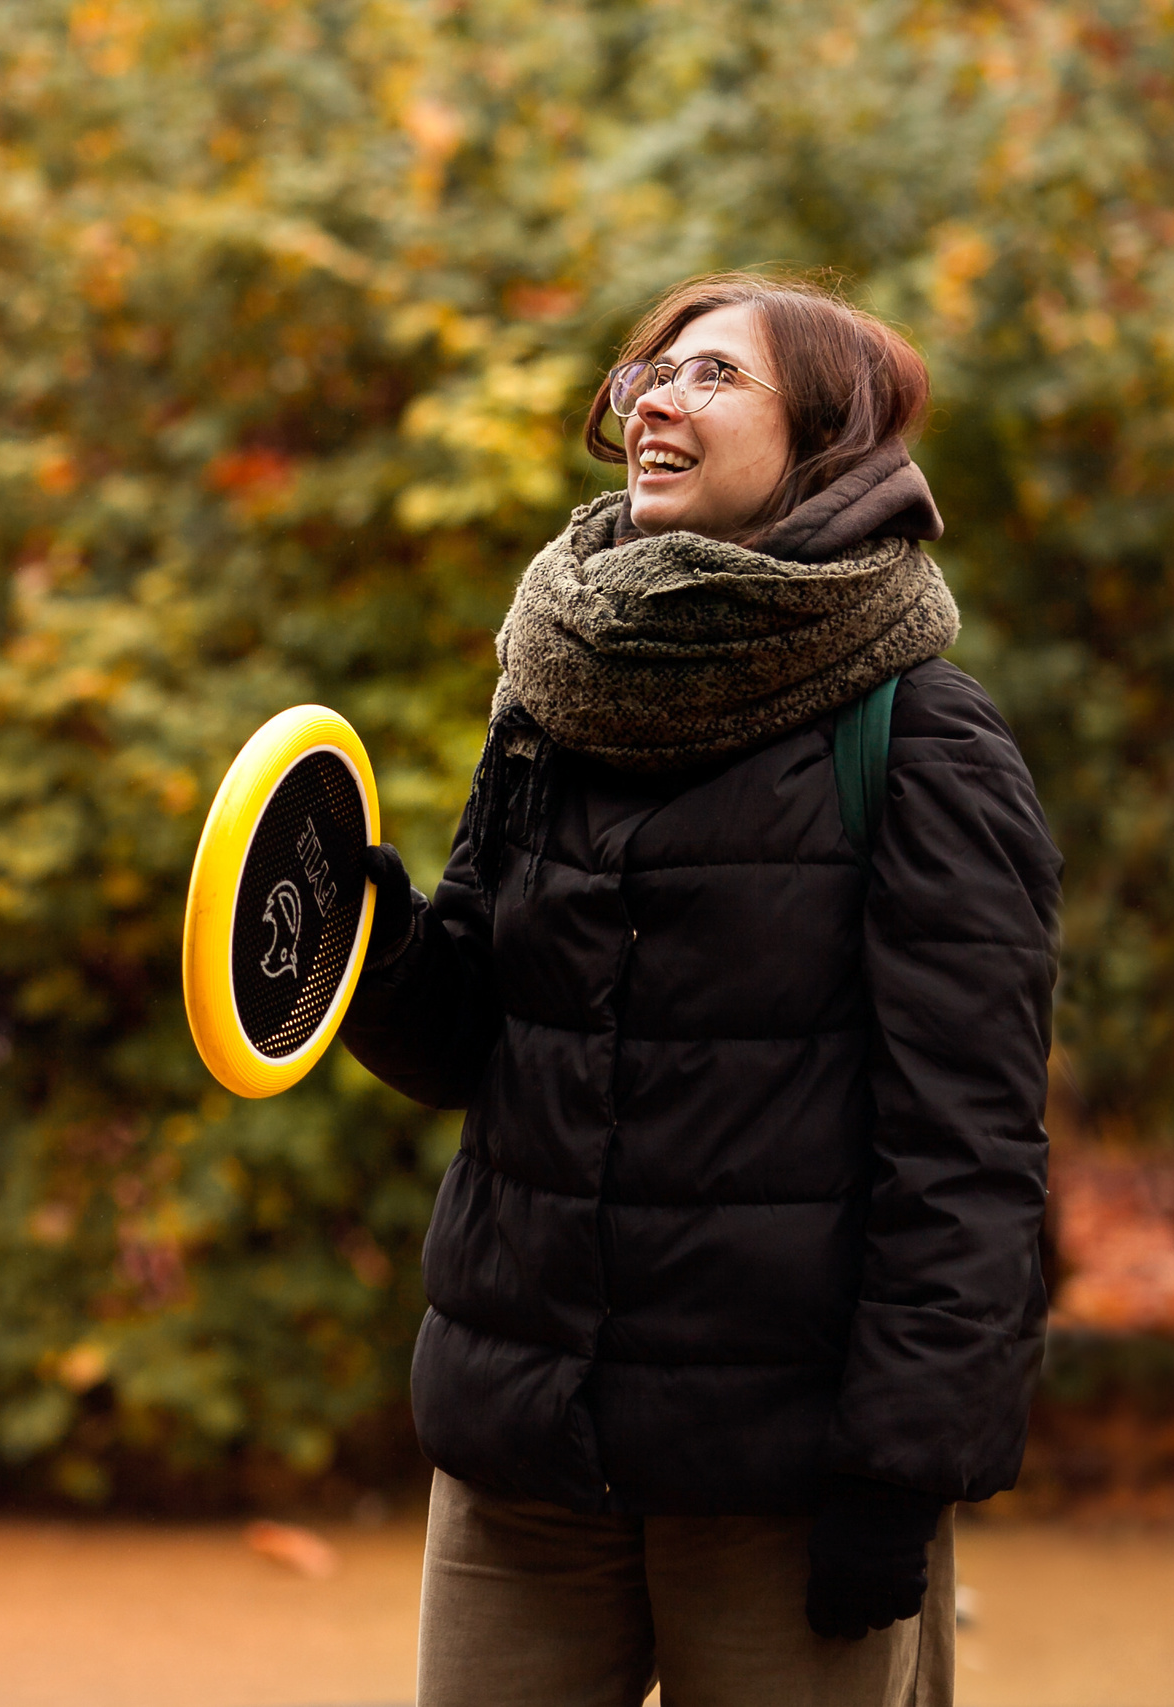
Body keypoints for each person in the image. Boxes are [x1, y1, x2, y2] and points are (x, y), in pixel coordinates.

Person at [345, 272, 1062, 1707]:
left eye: (714, 375)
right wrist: (357, 943)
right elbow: (469, 1038)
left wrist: (899, 1473)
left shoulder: (921, 735)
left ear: (828, 438)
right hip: (527, 1462)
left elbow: (969, 1153)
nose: (654, 398)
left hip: (785, 1482)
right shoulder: (553, 690)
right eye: (644, 378)